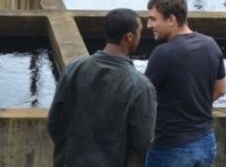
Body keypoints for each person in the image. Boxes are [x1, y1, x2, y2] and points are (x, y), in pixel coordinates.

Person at [47, 8, 156, 167]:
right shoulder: (140, 86)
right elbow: (143, 141)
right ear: (129, 37)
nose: (141, 36)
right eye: (139, 32)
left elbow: (53, 123)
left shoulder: (74, 69)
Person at [144, 0, 226, 167]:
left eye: (153, 19)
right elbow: (221, 89)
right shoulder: (210, 44)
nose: (148, 25)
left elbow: (143, 97)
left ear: (171, 20)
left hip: (171, 146)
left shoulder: (163, 53)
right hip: (206, 141)